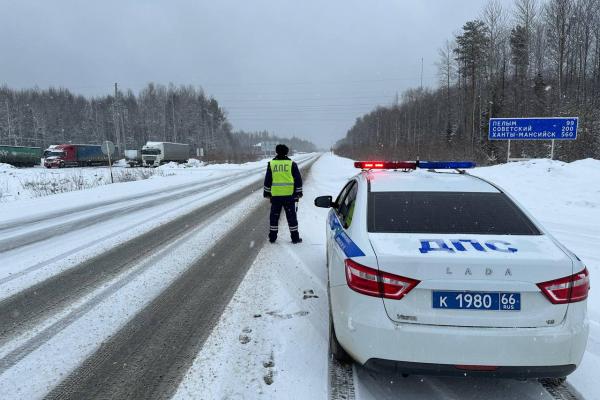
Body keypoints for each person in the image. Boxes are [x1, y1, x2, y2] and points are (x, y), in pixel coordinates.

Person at [263, 144, 303, 243]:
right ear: (287, 152)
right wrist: (299, 193)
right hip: (289, 196)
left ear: (276, 152)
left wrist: (267, 193)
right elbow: (298, 180)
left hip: (276, 196)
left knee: (274, 217)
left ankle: (272, 238)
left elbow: (268, 180)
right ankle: (295, 238)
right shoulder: (292, 164)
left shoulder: (271, 164)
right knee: (292, 218)